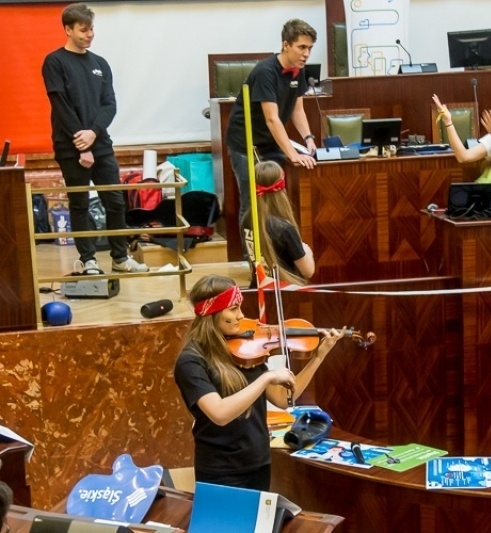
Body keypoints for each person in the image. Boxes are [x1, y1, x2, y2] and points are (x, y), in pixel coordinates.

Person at [174, 275, 344, 490]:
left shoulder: (247, 348)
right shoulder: (191, 361)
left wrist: (318, 357)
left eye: (240, 307)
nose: (241, 315)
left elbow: (283, 399)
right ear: (212, 312)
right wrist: (267, 377)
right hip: (221, 470)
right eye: (233, 309)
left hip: (259, 463)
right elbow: (219, 413)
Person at [41, 3, 149, 275]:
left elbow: (109, 104)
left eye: (92, 29)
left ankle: (120, 258)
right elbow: (60, 103)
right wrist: (81, 142)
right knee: (79, 203)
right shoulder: (55, 61)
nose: (90, 34)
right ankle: (88, 260)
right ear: (68, 29)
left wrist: (93, 134)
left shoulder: (100, 63)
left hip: (99, 143)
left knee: (114, 201)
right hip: (70, 146)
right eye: (83, 29)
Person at [225, 19, 319, 231]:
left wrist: (308, 138)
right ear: (286, 45)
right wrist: (292, 154)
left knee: (278, 200)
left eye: (310, 48)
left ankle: (276, 254)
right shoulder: (265, 71)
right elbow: (271, 118)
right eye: (301, 47)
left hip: (270, 143)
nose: (306, 54)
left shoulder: (298, 69)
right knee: (252, 202)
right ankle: (253, 260)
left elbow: (297, 109)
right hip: (246, 143)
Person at [242, 160, 314, 287]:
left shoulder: (247, 219)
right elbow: (308, 271)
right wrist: (307, 251)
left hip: (258, 288)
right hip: (284, 294)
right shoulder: (284, 229)